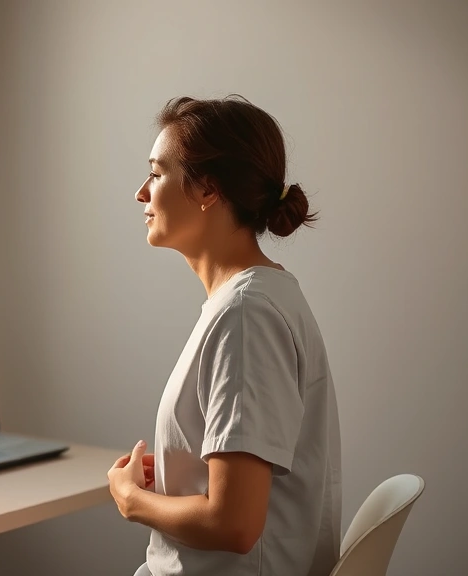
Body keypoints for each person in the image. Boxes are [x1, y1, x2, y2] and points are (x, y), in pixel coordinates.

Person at [107, 95, 342, 576]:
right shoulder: (253, 300)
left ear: (208, 190)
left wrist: (132, 500)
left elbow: (233, 525)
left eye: (156, 173)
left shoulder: (244, 315)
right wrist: (181, 469)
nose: (141, 193)